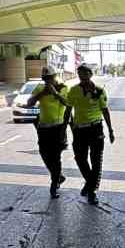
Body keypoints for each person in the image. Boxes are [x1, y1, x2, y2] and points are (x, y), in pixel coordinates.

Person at [65, 62, 114, 204]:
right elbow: (68, 111)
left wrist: (110, 130)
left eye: (85, 74)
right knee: (80, 158)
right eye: (80, 75)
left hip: (96, 129)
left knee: (96, 160)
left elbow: (105, 110)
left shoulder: (99, 91)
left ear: (91, 75)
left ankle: (92, 191)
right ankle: (89, 183)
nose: (83, 77)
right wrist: (64, 130)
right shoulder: (73, 90)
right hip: (79, 130)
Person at [27, 66, 71, 197]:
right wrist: (42, 94)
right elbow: (29, 103)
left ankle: (54, 185)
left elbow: (67, 103)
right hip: (43, 127)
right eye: (45, 79)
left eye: (49, 78)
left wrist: (55, 94)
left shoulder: (63, 87)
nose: (47, 81)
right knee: (44, 153)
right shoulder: (40, 88)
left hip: (58, 127)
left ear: (54, 77)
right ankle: (58, 176)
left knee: (55, 156)